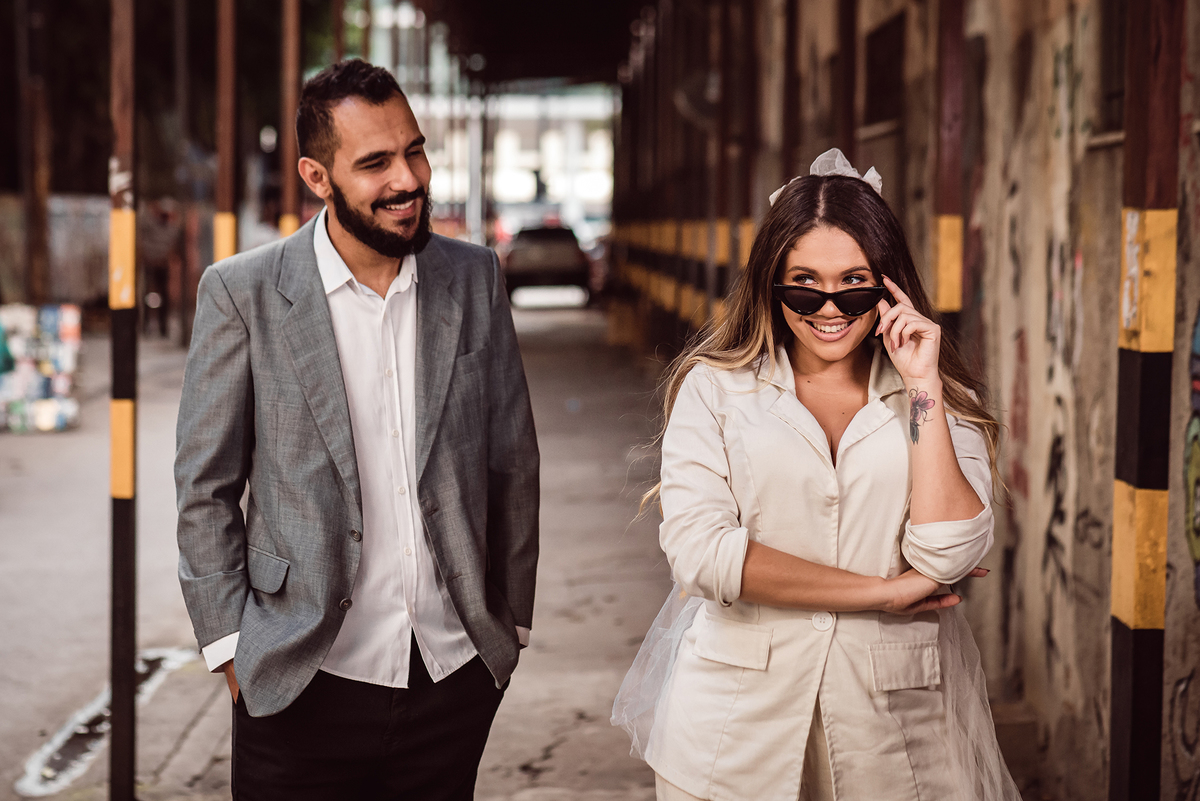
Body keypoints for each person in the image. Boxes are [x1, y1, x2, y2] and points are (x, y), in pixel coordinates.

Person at [175, 59, 539, 800]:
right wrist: (230, 648)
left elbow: (511, 460)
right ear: (317, 176)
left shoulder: (474, 279)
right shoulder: (242, 294)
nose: (408, 179)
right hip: (299, 677)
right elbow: (205, 487)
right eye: (375, 163)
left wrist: (509, 625)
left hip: (449, 674)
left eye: (414, 149)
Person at [625, 150, 1019, 800]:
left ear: (890, 284)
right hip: (731, 736)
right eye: (803, 281)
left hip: (895, 738)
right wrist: (884, 592)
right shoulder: (714, 390)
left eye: (855, 282)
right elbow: (701, 555)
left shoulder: (933, 398)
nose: (829, 304)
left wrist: (922, 385)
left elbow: (947, 551)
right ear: (771, 283)